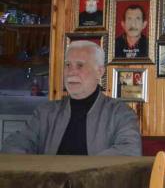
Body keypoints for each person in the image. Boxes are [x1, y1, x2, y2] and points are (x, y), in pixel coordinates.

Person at [1, 41, 141, 155]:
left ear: (99, 72)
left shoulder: (120, 113)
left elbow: (129, 150)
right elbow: (14, 145)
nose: (71, 72)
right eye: (68, 65)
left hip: (95, 181)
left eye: (80, 65)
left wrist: (82, 171)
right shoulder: (46, 113)